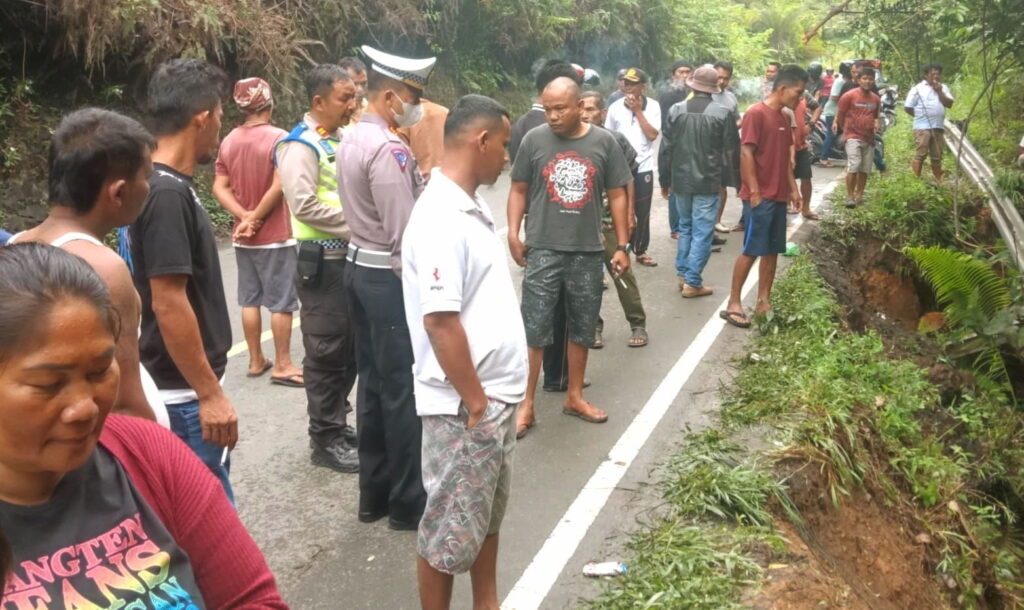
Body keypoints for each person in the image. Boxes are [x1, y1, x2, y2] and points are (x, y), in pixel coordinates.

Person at [0, 242, 288, 609]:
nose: (84, 407)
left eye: (99, 371)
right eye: (48, 384)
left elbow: (251, 599)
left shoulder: (148, 453)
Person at [402, 94, 527, 610]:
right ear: (481, 141)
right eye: (503, 145)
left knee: (483, 517)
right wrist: (476, 404)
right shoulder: (440, 217)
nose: (506, 157)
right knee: (447, 531)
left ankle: (487, 602)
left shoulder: (468, 203)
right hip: (464, 408)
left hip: (491, 401)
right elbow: (439, 320)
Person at [9, 108, 163, 426]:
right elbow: (124, 401)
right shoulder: (102, 267)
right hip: (110, 452)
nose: (148, 188)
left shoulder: (17, 246)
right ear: (118, 192)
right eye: (146, 177)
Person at [129, 58, 239, 501]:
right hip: (183, 396)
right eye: (219, 116)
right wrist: (209, 394)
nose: (220, 128)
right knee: (206, 520)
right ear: (203, 117)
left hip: (182, 388)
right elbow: (168, 301)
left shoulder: (155, 184)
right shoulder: (167, 194)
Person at [337, 45, 436, 530]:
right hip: (386, 277)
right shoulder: (389, 149)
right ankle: (406, 502)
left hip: (358, 268)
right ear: (391, 96)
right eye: (414, 96)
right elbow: (405, 233)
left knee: (373, 385)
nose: (417, 105)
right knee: (402, 390)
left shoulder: (354, 137)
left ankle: (372, 495)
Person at [508, 77, 633, 437]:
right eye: (547, 108)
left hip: (587, 250)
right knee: (535, 327)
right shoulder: (534, 140)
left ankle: (574, 396)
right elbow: (518, 189)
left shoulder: (603, 142)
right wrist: (514, 234)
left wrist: (622, 245)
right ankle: (526, 404)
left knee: (582, 324)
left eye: (560, 108)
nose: (552, 116)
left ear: (580, 106)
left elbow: (619, 194)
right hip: (543, 248)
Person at [275, 64, 361, 473]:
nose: (353, 104)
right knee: (326, 351)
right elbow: (303, 203)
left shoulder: (338, 139)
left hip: (345, 259)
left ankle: (337, 426)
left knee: (349, 349)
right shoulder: (301, 145)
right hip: (322, 263)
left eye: (354, 96)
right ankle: (324, 439)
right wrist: (360, 226)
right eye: (345, 98)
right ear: (318, 101)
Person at [212, 78, 304, 388]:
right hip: (276, 234)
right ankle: (282, 363)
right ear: (269, 102)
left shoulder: (228, 141)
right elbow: (280, 185)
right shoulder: (280, 138)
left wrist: (243, 218)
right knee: (281, 302)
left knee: (249, 299)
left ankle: (255, 360)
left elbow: (218, 187)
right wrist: (257, 218)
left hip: (244, 239)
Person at [508, 60, 585, 393]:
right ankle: (552, 379)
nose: (556, 114)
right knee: (550, 316)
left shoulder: (520, 125)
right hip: (547, 238)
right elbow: (518, 186)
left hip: (542, 233)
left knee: (548, 315)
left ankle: (556, 381)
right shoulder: (536, 133)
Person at [721, 64, 808, 329]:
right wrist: (755, 192)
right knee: (752, 249)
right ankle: (733, 303)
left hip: (779, 194)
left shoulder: (784, 117)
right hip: (760, 196)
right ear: (782, 88)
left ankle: (763, 301)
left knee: (772, 250)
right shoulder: (756, 114)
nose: (800, 98)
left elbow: (783, 159)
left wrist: (793, 189)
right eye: (798, 92)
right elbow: (746, 153)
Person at [659, 65, 738, 299]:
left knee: (685, 228)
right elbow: (732, 151)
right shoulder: (722, 113)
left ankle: (683, 275)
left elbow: (666, 149)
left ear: (693, 85)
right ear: (714, 89)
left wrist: (665, 179)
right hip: (708, 181)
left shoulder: (676, 110)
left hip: (681, 181)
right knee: (702, 232)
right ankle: (693, 282)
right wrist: (738, 183)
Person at [579, 91, 648, 348]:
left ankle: (637, 322)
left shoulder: (614, 140)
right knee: (587, 278)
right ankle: (593, 326)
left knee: (620, 272)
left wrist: (630, 213)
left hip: (609, 220)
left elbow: (628, 178)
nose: (585, 114)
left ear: (603, 113)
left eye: (590, 109)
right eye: (582, 109)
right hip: (582, 223)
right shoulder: (571, 142)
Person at [605, 67, 660, 267]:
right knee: (616, 209)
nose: (627, 87)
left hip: (643, 166)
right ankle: (621, 247)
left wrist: (638, 111)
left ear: (643, 87)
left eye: (632, 84)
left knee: (642, 210)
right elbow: (608, 136)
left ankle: (641, 249)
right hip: (619, 167)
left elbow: (653, 135)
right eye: (625, 83)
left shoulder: (653, 106)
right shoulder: (615, 107)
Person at [835, 66, 880, 208]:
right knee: (854, 164)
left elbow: (876, 116)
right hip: (852, 135)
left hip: (869, 138)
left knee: (865, 169)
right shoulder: (849, 96)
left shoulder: (876, 99)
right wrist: (845, 131)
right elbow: (840, 115)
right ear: (858, 80)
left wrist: (876, 124)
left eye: (870, 79)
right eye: (864, 78)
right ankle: (849, 196)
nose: (867, 81)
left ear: (873, 81)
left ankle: (859, 194)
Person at [904, 63, 954, 184]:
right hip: (922, 127)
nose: (936, 76)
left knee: (937, 156)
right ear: (926, 75)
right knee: (921, 154)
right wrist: (920, 117)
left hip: (938, 126)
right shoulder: (917, 88)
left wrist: (939, 91)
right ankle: (916, 181)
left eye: (938, 74)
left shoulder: (944, 88)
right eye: (933, 74)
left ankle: (938, 180)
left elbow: (949, 104)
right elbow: (908, 107)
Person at [659, 60, 693, 238]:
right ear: (674, 75)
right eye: (681, 72)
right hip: (674, 144)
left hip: (691, 146)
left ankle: (686, 224)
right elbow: (666, 125)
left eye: (688, 71)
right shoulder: (669, 95)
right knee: (674, 186)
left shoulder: (693, 93)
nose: (685, 75)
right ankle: (676, 228)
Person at [712, 61, 742, 235]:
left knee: (722, 184)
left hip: (726, 149)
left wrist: (735, 125)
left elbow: (737, 119)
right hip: (707, 147)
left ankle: (717, 220)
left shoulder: (730, 97)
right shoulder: (703, 95)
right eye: (719, 77)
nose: (721, 81)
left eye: (725, 78)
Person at [399, 98, 449, 180]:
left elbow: (399, 157)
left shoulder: (406, 115)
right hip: (445, 180)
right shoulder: (446, 112)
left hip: (419, 183)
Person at [789, 89, 819, 219]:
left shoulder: (804, 94)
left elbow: (817, 108)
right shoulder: (782, 96)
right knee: (784, 178)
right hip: (785, 146)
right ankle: (788, 204)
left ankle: (806, 208)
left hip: (801, 145)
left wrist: (811, 124)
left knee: (806, 177)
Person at [819, 62, 849, 167]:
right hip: (832, 112)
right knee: (832, 134)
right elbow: (833, 97)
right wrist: (847, 100)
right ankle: (823, 157)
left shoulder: (847, 81)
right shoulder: (840, 81)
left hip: (841, 113)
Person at [339, 56, 369, 125]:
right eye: (354, 84)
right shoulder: (333, 114)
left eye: (363, 83)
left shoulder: (370, 110)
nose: (360, 89)